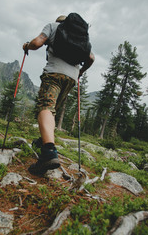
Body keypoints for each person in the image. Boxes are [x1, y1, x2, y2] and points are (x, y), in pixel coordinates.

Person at [23, 14, 95, 175]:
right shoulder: (82, 37)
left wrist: (26, 46)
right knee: (52, 109)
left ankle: (49, 153)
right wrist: (81, 72)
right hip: (71, 78)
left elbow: (37, 43)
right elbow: (91, 58)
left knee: (46, 107)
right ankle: (43, 141)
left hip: (54, 73)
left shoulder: (52, 27)